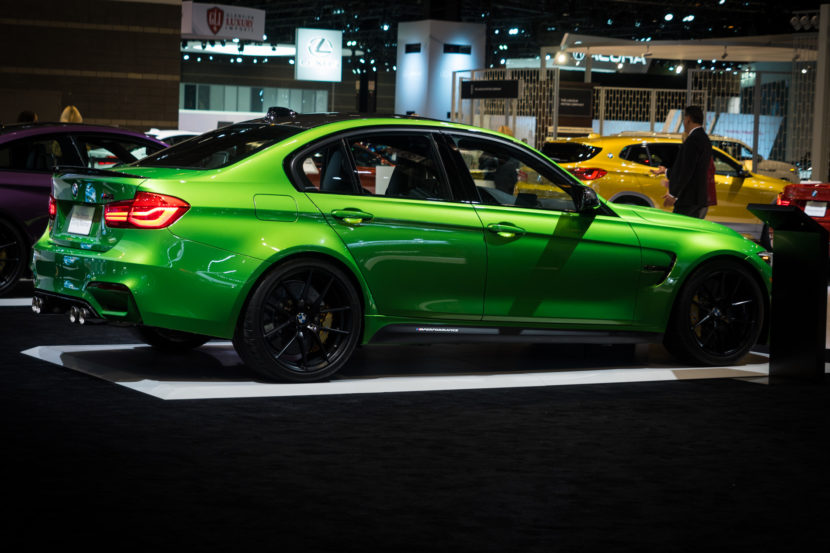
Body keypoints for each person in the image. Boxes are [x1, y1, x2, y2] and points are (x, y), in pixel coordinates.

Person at [650, 105, 712, 218]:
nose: (684, 122)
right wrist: (666, 171)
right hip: (698, 198)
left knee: (679, 232)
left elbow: (686, 171)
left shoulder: (693, 140)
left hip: (688, 200)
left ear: (688, 119)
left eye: (684, 119)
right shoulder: (705, 139)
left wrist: (673, 194)